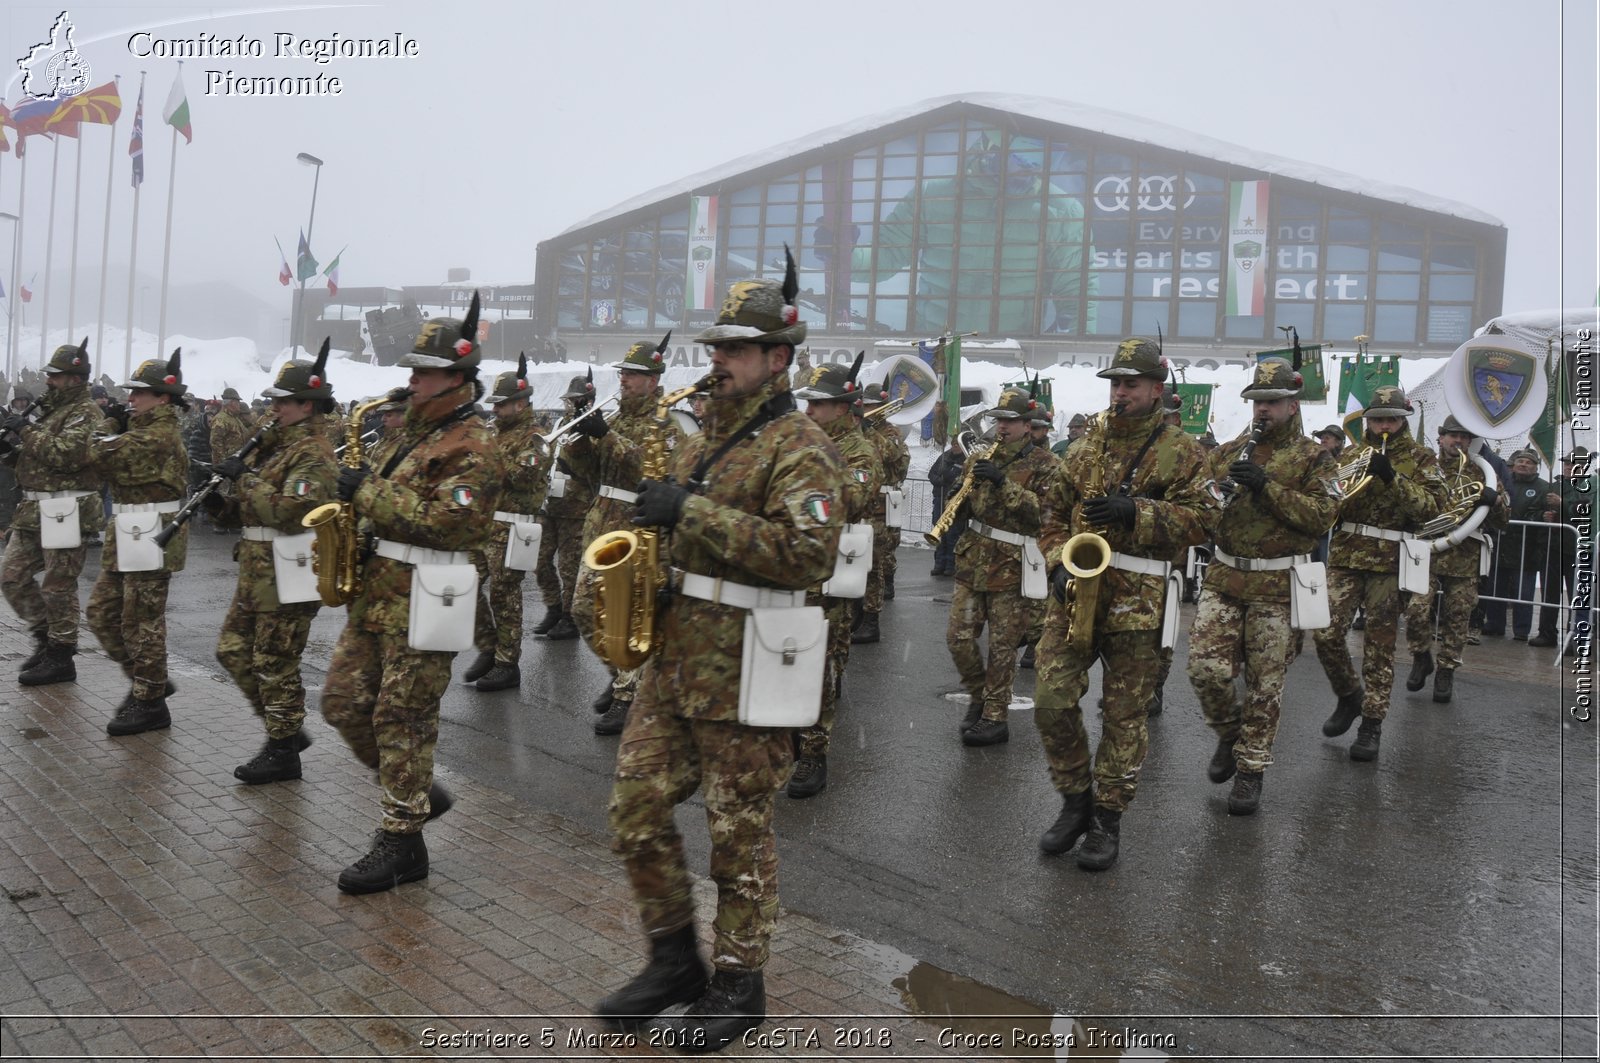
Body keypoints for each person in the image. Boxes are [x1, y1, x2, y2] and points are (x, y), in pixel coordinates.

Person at [597, 257, 846, 1050]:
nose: (718, 361)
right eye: (716, 348)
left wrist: (692, 511)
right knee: (633, 810)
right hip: (676, 661)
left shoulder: (800, 445)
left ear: (779, 358)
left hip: (748, 664)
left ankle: (740, 982)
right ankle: (674, 958)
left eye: (735, 350)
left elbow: (808, 553)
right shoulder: (704, 433)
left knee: (737, 833)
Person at [318, 296, 503, 894]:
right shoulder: (406, 435)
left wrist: (367, 495)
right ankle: (414, 794)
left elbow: (456, 523)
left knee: (403, 718)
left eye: (423, 371)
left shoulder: (472, 443)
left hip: (430, 595)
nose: (411, 379)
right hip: (379, 594)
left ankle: (401, 839)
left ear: (457, 377)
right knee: (342, 702)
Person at [1032, 338, 1212, 869]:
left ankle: (1107, 820)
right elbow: (1051, 514)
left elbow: (1205, 519)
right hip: (1074, 593)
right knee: (1050, 700)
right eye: (1114, 383)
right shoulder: (1083, 447)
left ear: (1157, 389)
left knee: (1123, 716)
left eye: (1130, 383)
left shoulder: (1184, 450)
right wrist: (1055, 560)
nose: (1120, 393)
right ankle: (1075, 799)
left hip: (1139, 599)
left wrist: (1137, 511)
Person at [1187, 359, 1338, 814]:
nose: (1262, 410)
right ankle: (1230, 733)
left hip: (1278, 583)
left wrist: (1267, 488)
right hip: (1226, 576)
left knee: (1265, 682)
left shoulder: (1316, 457)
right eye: (1256, 402)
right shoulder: (1232, 449)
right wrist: (1219, 490)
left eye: (1271, 402)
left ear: (1292, 406)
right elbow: (1197, 504)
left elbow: (1322, 516)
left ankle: (1251, 769)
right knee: (1204, 670)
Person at [204, 343, 338, 782]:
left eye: (282, 402)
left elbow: (287, 511)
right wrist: (219, 504)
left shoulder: (314, 454)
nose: (273, 408)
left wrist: (246, 479)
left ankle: (282, 748)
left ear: (306, 405)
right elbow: (253, 506)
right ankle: (286, 728)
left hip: (289, 566)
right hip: (258, 567)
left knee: (276, 660)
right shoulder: (270, 448)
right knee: (232, 650)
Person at [1314, 385, 1446, 761]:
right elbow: (1328, 499)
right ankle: (1348, 695)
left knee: (1379, 647)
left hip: (1390, 561)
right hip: (1346, 556)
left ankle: (1372, 723)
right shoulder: (1351, 454)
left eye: (1391, 419)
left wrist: (1393, 478)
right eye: (1377, 419)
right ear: (1367, 420)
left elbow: (1432, 508)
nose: (1383, 425)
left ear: (1402, 421)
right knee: (1324, 632)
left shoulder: (1422, 458)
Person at [565, 334, 681, 732]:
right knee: (583, 609)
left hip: (637, 527)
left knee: (628, 616)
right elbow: (584, 470)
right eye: (624, 373)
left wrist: (604, 435)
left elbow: (647, 467)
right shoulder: (614, 415)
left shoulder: (667, 422)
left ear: (653, 379)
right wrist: (578, 433)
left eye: (633, 374)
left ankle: (628, 695)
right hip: (601, 523)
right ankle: (623, 677)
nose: (625, 379)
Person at [945, 382, 1058, 747]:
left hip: (1011, 565)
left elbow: (1043, 515)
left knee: (1002, 646)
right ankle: (979, 697)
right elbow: (967, 504)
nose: (1002, 428)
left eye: (1011, 421)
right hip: (973, 559)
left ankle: (995, 717)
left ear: (1028, 425)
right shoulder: (981, 457)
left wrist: (1002, 483)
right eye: (998, 420)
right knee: (958, 639)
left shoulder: (1047, 464)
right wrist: (958, 496)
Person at [87, 349, 192, 735]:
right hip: (130, 529)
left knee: (142, 623)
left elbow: (94, 454)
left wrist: (106, 422)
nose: (131, 399)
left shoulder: (158, 435)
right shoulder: (140, 429)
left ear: (163, 398)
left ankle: (149, 701)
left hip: (152, 533)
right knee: (101, 613)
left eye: (139, 393)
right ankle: (152, 681)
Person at [790, 354, 881, 798]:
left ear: (843, 408)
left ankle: (813, 754)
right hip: (790, 570)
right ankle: (790, 733)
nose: (809, 412)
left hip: (827, 576)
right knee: (787, 658)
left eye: (818, 405)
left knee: (819, 668)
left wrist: (798, 494)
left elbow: (846, 501)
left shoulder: (860, 452)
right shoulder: (802, 441)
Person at [0, 339, 110, 686]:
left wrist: (24, 430)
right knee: (11, 576)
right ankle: (46, 637)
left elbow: (66, 455)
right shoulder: (51, 408)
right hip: (34, 510)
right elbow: (39, 457)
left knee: (58, 587)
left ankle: (61, 655)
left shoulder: (88, 413)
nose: (49, 381)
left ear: (75, 378)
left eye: (56, 376)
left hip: (67, 509)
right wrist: (10, 452)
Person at [1401, 416, 1508, 702]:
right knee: (1415, 611)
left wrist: (1494, 501)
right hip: (1427, 551)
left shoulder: (1483, 473)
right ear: (1441, 438)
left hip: (1465, 556)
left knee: (1457, 617)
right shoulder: (1424, 468)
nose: (1458, 441)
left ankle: (1446, 669)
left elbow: (1504, 519)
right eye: (1452, 436)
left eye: (1464, 437)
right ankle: (1421, 655)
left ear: (1471, 441)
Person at [464, 354, 551, 693]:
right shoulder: (494, 433)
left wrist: (488, 463)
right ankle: (490, 645)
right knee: (466, 584)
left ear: (521, 403)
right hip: (484, 524)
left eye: (502, 405)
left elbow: (523, 477)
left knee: (504, 595)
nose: (496, 410)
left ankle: (506, 662)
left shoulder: (535, 438)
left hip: (513, 526)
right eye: (495, 405)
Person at [531, 373, 597, 642]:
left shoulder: (595, 424)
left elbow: (594, 465)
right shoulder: (561, 422)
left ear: (588, 400)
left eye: (576, 400)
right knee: (539, 560)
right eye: (569, 400)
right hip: (552, 503)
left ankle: (569, 618)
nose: (570, 405)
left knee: (569, 567)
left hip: (576, 508)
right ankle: (553, 607)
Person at [851, 379, 909, 644]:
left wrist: (867, 429)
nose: (869, 410)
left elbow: (888, 456)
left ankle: (871, 621)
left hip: (881, 508)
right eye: (867, 406)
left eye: (874, 406)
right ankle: (855, 613)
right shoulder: (860, 432)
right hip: (861, 503)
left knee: (873, 564)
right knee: (854, 560)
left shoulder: (891, 433)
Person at [1482, 448, 1550, 640]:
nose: (1523, 464)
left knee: (1524, 592)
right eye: (1520, 461)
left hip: (1526, 549)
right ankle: (1494, 624)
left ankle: (1521, 630)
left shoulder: (1543, 488)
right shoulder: (1501, 483)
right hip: (1500, 545)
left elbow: (1541, 514)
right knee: (1496, 588)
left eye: (1528, 462)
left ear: (1536, 467)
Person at [1533, 446, 1591, 650]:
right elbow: (1542, 509)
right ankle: (1546, 633)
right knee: (1549, 592)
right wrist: (1545, 517)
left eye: (1574, 464)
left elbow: (1585, 510)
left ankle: (1573, 639)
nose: (1569, 467)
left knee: (1576, 596)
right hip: (1553, 547)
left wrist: (1563, 503)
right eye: (1567, 463)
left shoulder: (1588, 485)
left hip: (1576, 549)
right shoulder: (1555, 485)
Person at [928, 434, 967, 577]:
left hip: (954, 502)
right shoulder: (944, 457)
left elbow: (962, 480)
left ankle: (951, 565)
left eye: (958, 444)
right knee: (939, 533)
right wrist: (939, 480)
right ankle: (939, 563)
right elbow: (932, 474)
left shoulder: (966, 459)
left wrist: (949, 477)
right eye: (954, 443)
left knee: (952, 534)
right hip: (940, 498)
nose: (955, 446)